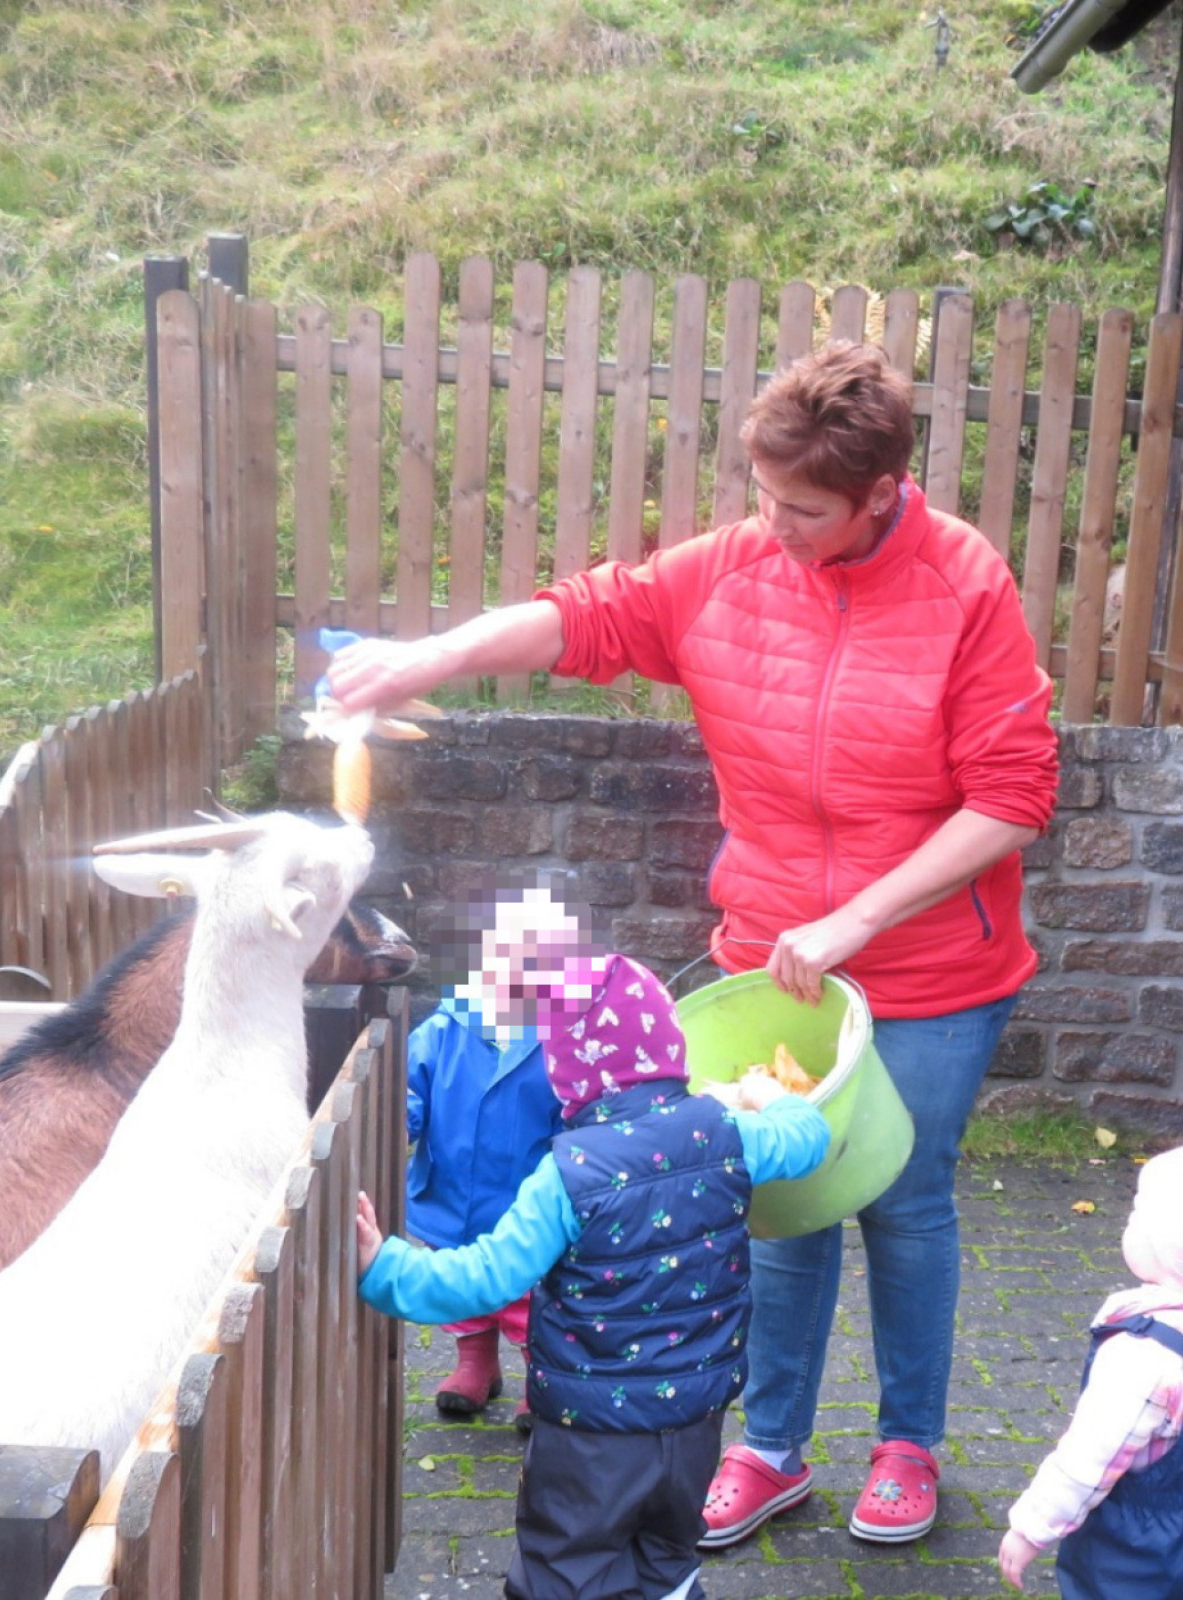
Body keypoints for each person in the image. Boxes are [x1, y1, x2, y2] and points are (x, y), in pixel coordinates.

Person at [326, 341, 1059, 1545]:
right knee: (775, 1197)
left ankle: (906, 1443)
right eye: (763, 496)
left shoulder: (964, 584)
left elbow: (1013, 796)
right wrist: (432, 655)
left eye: (804, 510)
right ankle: (769, 1446)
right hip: (771, 962)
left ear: (880, 493)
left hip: (932, 970)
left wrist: (857, 919)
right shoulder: (732, 569)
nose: (773, 525)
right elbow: (584, 615)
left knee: (902, 1197)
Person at [355, 952, 829, 1600]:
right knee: (668, 1558)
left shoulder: (567, 1173)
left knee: (565, 1569)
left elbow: (484, 1278)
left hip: (592, 1436)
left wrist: (383, 1266)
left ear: (566, 1072)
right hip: (696, 1421)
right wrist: (769, 1094)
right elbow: (807, 1136)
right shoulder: (727, 1133)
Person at [999, 1137, 1183, 1599]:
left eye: (1142, 1218)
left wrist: (1031, 1528)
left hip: (1134, 1544)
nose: (1130, 1221)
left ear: (1181, 1250)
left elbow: (1087, 1459)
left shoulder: (1142, 1358)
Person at [405, 874, 579, 1428]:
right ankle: (474, 1362)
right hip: (453, 1193)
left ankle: (538, 1374)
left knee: (530, 1295)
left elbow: (577, 1108)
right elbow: (409, 1088)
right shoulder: (442, 1029)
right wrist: (402, 1115)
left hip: (528, 1198)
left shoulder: (562, 1037)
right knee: (461, 1289)